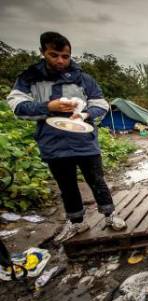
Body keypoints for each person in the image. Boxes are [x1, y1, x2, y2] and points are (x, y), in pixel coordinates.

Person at [7, 32, 123, 243]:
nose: (60, 60)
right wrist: (47, 107)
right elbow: (17, 106)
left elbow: (101, 104)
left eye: (65, 56)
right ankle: (77, 222)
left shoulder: (83, 78)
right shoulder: (30, 78)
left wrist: (86, 114)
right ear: (42, 52)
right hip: (53, 141)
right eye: (54, 55)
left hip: (84, 140)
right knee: (66, 185)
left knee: (97, 180)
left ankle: (110, 215)